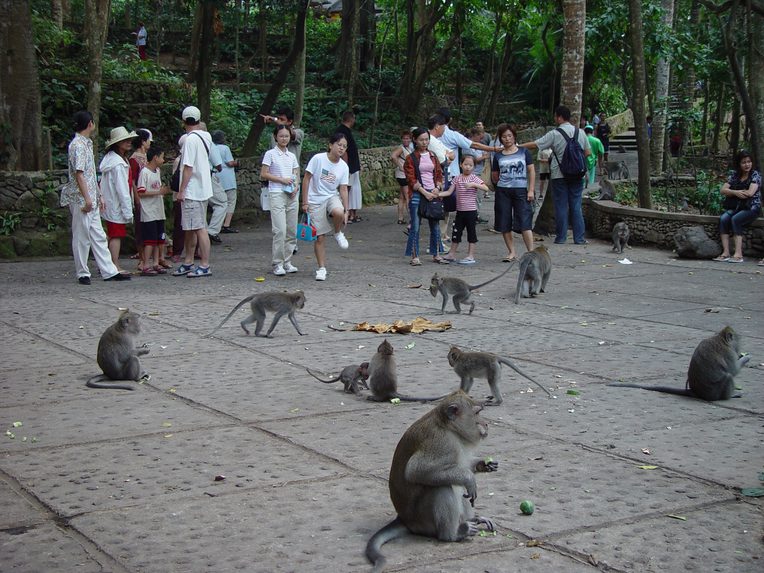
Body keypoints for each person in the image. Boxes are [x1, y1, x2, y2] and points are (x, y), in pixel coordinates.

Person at [59, 111, 130, 283]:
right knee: (82, 236)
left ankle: (109, 270)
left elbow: (90, 175)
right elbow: (79, 174)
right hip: (82, 198)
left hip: (90, 196)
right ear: (90, 123)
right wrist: (88, 198)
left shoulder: (86, 143)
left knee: (98, 235)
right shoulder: (78, 145)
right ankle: (82, 272)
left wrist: (99, 195)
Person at [521, 105, 592, 245]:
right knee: (576, 205)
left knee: (560, 206)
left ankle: (561, 237)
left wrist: (517, 146)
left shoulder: (554, 134)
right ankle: (579, 238)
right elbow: (588, 152)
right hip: (578, 175)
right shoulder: (581, 132)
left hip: (559, 175)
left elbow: (536, 144)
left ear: (559, 117)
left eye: (555, 116)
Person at [301, 132, 350, 281]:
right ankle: (321, 268)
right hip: (314, 200)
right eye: (339, 145)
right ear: (330, 145)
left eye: (344, 146)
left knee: (339, 212)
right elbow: (306, 179)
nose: (341, 148)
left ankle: (337, 232)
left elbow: (343, 189)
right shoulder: (318, 159)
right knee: (320, 237)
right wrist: (305, 202)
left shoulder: (343, 167)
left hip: (331, 196)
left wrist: (347, 210)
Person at [173, 105, 214, 278]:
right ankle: (188, 261)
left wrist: (181, 190)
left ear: (183, 121)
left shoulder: (190, 140)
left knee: (199, 227)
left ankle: (205, 264)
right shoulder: (206, 136)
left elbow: (188, 168)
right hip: (203, 188)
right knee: (190, 227)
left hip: (193, 190)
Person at [403, 127, 447, 266]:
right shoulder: (410, 158)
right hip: (418, 194)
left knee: (435, 225)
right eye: (421, 140)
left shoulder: (433, 156)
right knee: (415, 226)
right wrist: (425, 192)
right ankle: (415, 256)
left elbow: (439, 174)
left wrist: (437, 188)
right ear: (415, 140)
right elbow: (411, 179)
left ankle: (436, 253)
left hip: (433, 192)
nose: (424, 142)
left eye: (427, 139)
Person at [493, 124, 536, 261]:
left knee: (525, 221)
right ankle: (511, 252)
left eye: (509, 136)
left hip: (521, 190)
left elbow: (531, 170)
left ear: (514, 136)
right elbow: (495, 175)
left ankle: (531, 252)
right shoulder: (498, 156)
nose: (507, 139)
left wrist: (531, 190)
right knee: (504, 222)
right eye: (504, 136)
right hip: (503, 191)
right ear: (500, 139)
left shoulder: (524, 152)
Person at [262, 124, 300, 276]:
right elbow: (264, 173)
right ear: (275, 137)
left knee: (292, 230)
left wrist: (296, 187)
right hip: (277, 193)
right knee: (280, 230)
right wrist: (281, 180)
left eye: (286, 136)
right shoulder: (270, 154)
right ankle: (277, 263)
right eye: (281, 136)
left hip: (291, 194)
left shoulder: (292, 156)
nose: (284, 139)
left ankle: (287, 261)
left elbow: (296, 173)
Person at [99, 125, 137, 273]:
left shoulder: (114, 160)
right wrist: (127, 210)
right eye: (125, 140)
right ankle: (113, 265)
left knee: (113, 233)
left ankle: (108, 263)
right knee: (116, 234)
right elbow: (122, 189)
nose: (128, 142)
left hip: (111, 203)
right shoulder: (118, 164)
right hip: (115, 203)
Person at [713, 150, 761, 264]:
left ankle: (738, 254)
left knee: (736, 219)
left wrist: (732, 192)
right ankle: (726, 253)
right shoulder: (735, 175)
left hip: (752, 207)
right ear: (739, 164)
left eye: (749, 162)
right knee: (724, 219)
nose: (747, 164)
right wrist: (735, 192)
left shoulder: (755, 175)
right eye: (744, 162)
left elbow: (750, 193)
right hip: (737, 206)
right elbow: (723, 190)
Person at [442, 155, 489, 264]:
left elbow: (486, 188)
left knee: (471, 233)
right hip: (460, 211)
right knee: (456, 232)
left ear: (474, 167)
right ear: (460, 165)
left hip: (471, 211)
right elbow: (449, 192)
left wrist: (474, 185)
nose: (468, 167)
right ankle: (451, 254)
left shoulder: (474, 178)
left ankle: (470, 255)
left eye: (470, 165)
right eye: (465, 164)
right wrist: (437, 194)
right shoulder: (457, 178)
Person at [136, 144, 171, 275]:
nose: (163, 160)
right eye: (162, 157)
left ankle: (156, 262)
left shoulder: (158, 171)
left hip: (158, 210)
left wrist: (162, 191)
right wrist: (158, 192)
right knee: (150, 240)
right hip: (149, 211)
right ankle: (146, 264)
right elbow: (141, 192)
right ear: (155, 157)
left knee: (158, 239)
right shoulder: (144, 172)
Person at [129, 128, 152, 270]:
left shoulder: (146, 157)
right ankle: (142, 258)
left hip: (149, 195)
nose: (150, 142)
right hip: (140, 195)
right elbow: (132, 180)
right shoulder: (134, 159)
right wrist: (137, 197)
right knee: (140, 227)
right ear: (143, 141)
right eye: (148, 140)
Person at [336, 110, 363, 222]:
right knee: (346, 188)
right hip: (349, 166)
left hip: (353, 165)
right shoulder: (343, 132)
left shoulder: (346, 131)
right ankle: (344, 213)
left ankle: (352, 213)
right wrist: (345, 167)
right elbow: (344, 150)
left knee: (353, 189)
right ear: (351, 119)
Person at [212, 130, 240, 234]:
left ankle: (217, 224)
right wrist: (236, 162)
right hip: (227, 178)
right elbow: (229, 163)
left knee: (219, 201)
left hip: (216, 177)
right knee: (230, 201)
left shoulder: (211, 147)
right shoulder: (225, 148)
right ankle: (226, 224)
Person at [391, 130, 414, 225]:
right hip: (403, 175)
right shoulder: (401, 148)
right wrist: (401, 166)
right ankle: (412, 218)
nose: (406, 140)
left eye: (407, 138)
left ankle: (400, 218)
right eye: (404, 138)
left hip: (402, 175)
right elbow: (393, 156)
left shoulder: (408, 148)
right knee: (408, 196)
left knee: (402, 197)